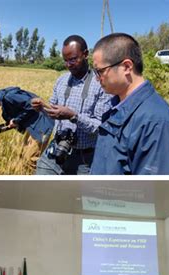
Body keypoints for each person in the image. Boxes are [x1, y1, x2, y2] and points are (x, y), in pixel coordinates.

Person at [90, 33, 169, 175]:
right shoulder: (117, 108)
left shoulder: (156, 122)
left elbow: (156, 191)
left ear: (127, 67)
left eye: (100, 71)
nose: (97, 79)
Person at [32, 35, 113, 175]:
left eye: (73, 59)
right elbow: (53, 110)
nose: (69, 64)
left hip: (84, 159)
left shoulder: (101, 84)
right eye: (66, 60)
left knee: (76, 196)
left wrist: (73, 116)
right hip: (57, 149)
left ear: (86, 54)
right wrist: (42, 108)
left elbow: (101, 128)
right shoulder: (61, 81)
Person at [0, 88, 54, 170]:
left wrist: (16, 120)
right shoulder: (5, 103)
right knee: (23, 157)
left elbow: (32, 105)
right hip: (32, 127)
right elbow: (16, 120)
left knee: (30, 159)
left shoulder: (10, 96)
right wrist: (0, 128)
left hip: (41, 125)